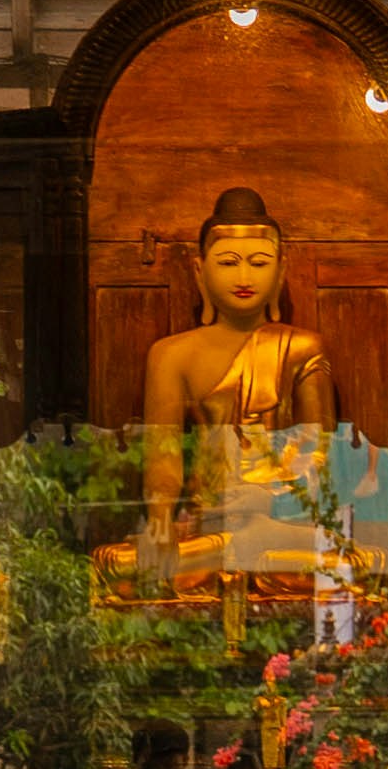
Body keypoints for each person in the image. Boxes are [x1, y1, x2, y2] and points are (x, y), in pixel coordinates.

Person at [129, 187, 355, 600]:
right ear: (199, 271)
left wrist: (268, 497)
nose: (245, 278)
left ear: (281, 271)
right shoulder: (171, 355)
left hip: (281, 528)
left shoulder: (303, 348)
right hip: (207, 527)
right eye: (228, 263)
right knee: (117, 566)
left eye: (259, 263)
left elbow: (318, 453)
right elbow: (163, 457)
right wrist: (160, 522)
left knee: (349, 561)